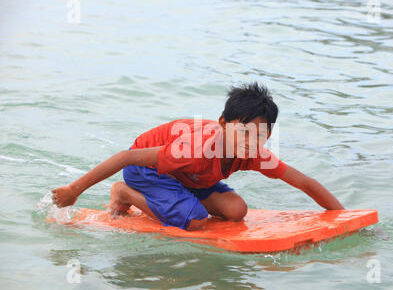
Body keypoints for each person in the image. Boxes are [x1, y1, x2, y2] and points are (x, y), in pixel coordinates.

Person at [51, 82, 344, 231]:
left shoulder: (255, 153)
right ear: (222, 123)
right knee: (195, 221)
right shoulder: (195, 148)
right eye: (243, 131)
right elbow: (127, 157)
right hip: (147, 171)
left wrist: (343, 218)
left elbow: (304, 182)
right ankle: (125, 194)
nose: (251, 141)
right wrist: (74, 190)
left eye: (261, 133)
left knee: (236, 211)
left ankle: (178, 197)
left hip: (187, 174)